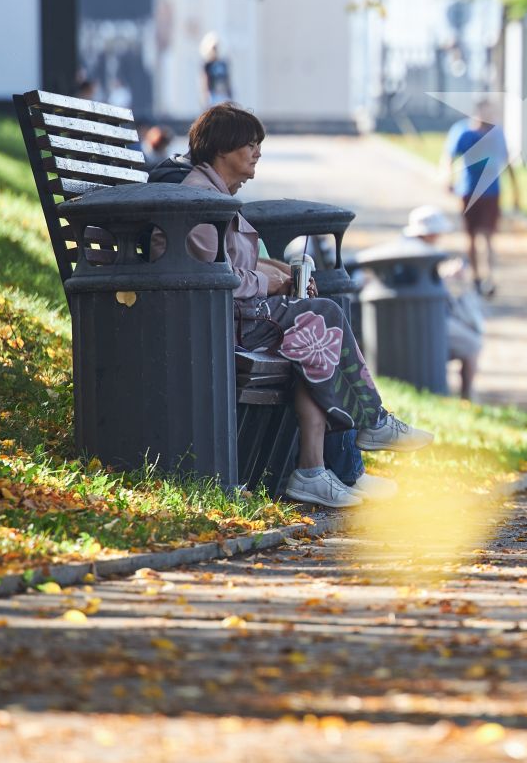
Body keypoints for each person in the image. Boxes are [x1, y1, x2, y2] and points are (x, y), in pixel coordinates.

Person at [168, 103, 433, 508]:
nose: (257, 152)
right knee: (321, 317)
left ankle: (318, 469)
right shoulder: (199, 202)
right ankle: (366, 428)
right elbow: (211, 276)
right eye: (250, 144)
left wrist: (277, 271)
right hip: (223, 324)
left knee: (314, 335)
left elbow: (234, 260)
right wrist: (266, 282)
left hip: (240, 319)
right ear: (223, 148)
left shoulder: (216, 197)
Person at [403, 205, 488, 398]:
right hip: (426, 323)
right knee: (473, 344)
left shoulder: (411, 249)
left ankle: (465, 395)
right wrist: (446, 277)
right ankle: (467, 397)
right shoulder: (419, 253)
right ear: (429, 233)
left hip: (419, 321)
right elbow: (422, 287)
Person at [445, 101, 509, 296]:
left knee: (488, 237)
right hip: (468, 190)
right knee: (471, 237)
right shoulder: (463, 132)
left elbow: (507, 160)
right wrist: (449, 178)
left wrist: (515, 190)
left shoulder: (497, 134)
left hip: (491, 191)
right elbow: (449, 156)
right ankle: (475, 277)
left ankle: (489, 278)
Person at [200, 33, 233, 106]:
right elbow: (205, 79)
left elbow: (227, 78)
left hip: (223, 94)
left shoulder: (223, 63)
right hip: (213, 95)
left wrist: (229, 91)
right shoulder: (207, 65)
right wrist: (205, 95)